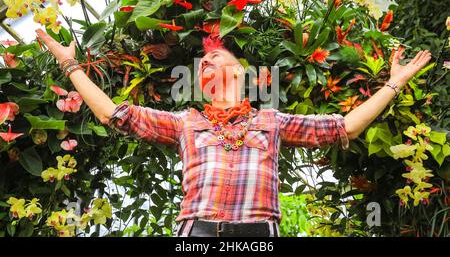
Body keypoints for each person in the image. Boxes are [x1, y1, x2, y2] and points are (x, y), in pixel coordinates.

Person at [35, 29, 432, 237]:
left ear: (241, 73)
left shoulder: (272, 121)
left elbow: (346, 125)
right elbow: (112, 114)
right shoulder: (185, 122)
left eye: (216, 57)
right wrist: (71, 65)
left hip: (259, 232)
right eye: (202, 63)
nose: (206, 63)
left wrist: (395, 83)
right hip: (197, 230)